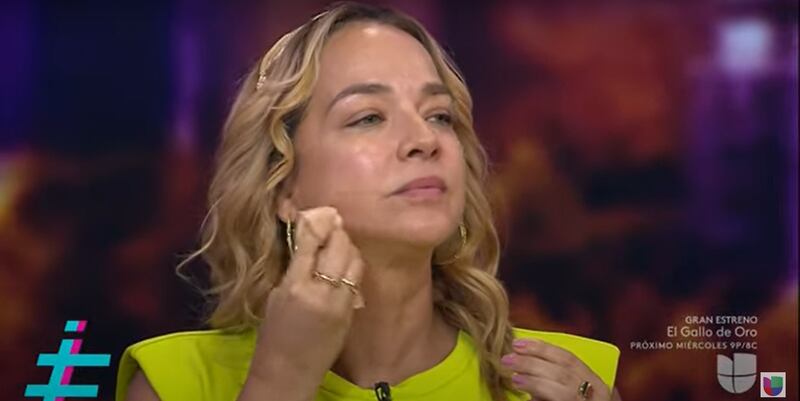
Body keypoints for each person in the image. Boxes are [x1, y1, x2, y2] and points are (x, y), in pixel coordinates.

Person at [117, 2, 621, 401]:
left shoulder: (569, 384)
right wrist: (281, 379)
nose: (424, 140)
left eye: (439, 115)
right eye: (369, 117)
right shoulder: (179, 382)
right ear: (283, 187)